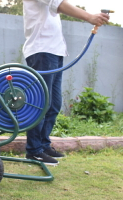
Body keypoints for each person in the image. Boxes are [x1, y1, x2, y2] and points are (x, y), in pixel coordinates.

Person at [23, 0, 109, 165]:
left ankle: (43, 145)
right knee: (41, 104)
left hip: (54, 51)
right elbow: (59, 4)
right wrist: (90, 17)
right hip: (42, 50)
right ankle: (33, 151)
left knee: (54, 104)